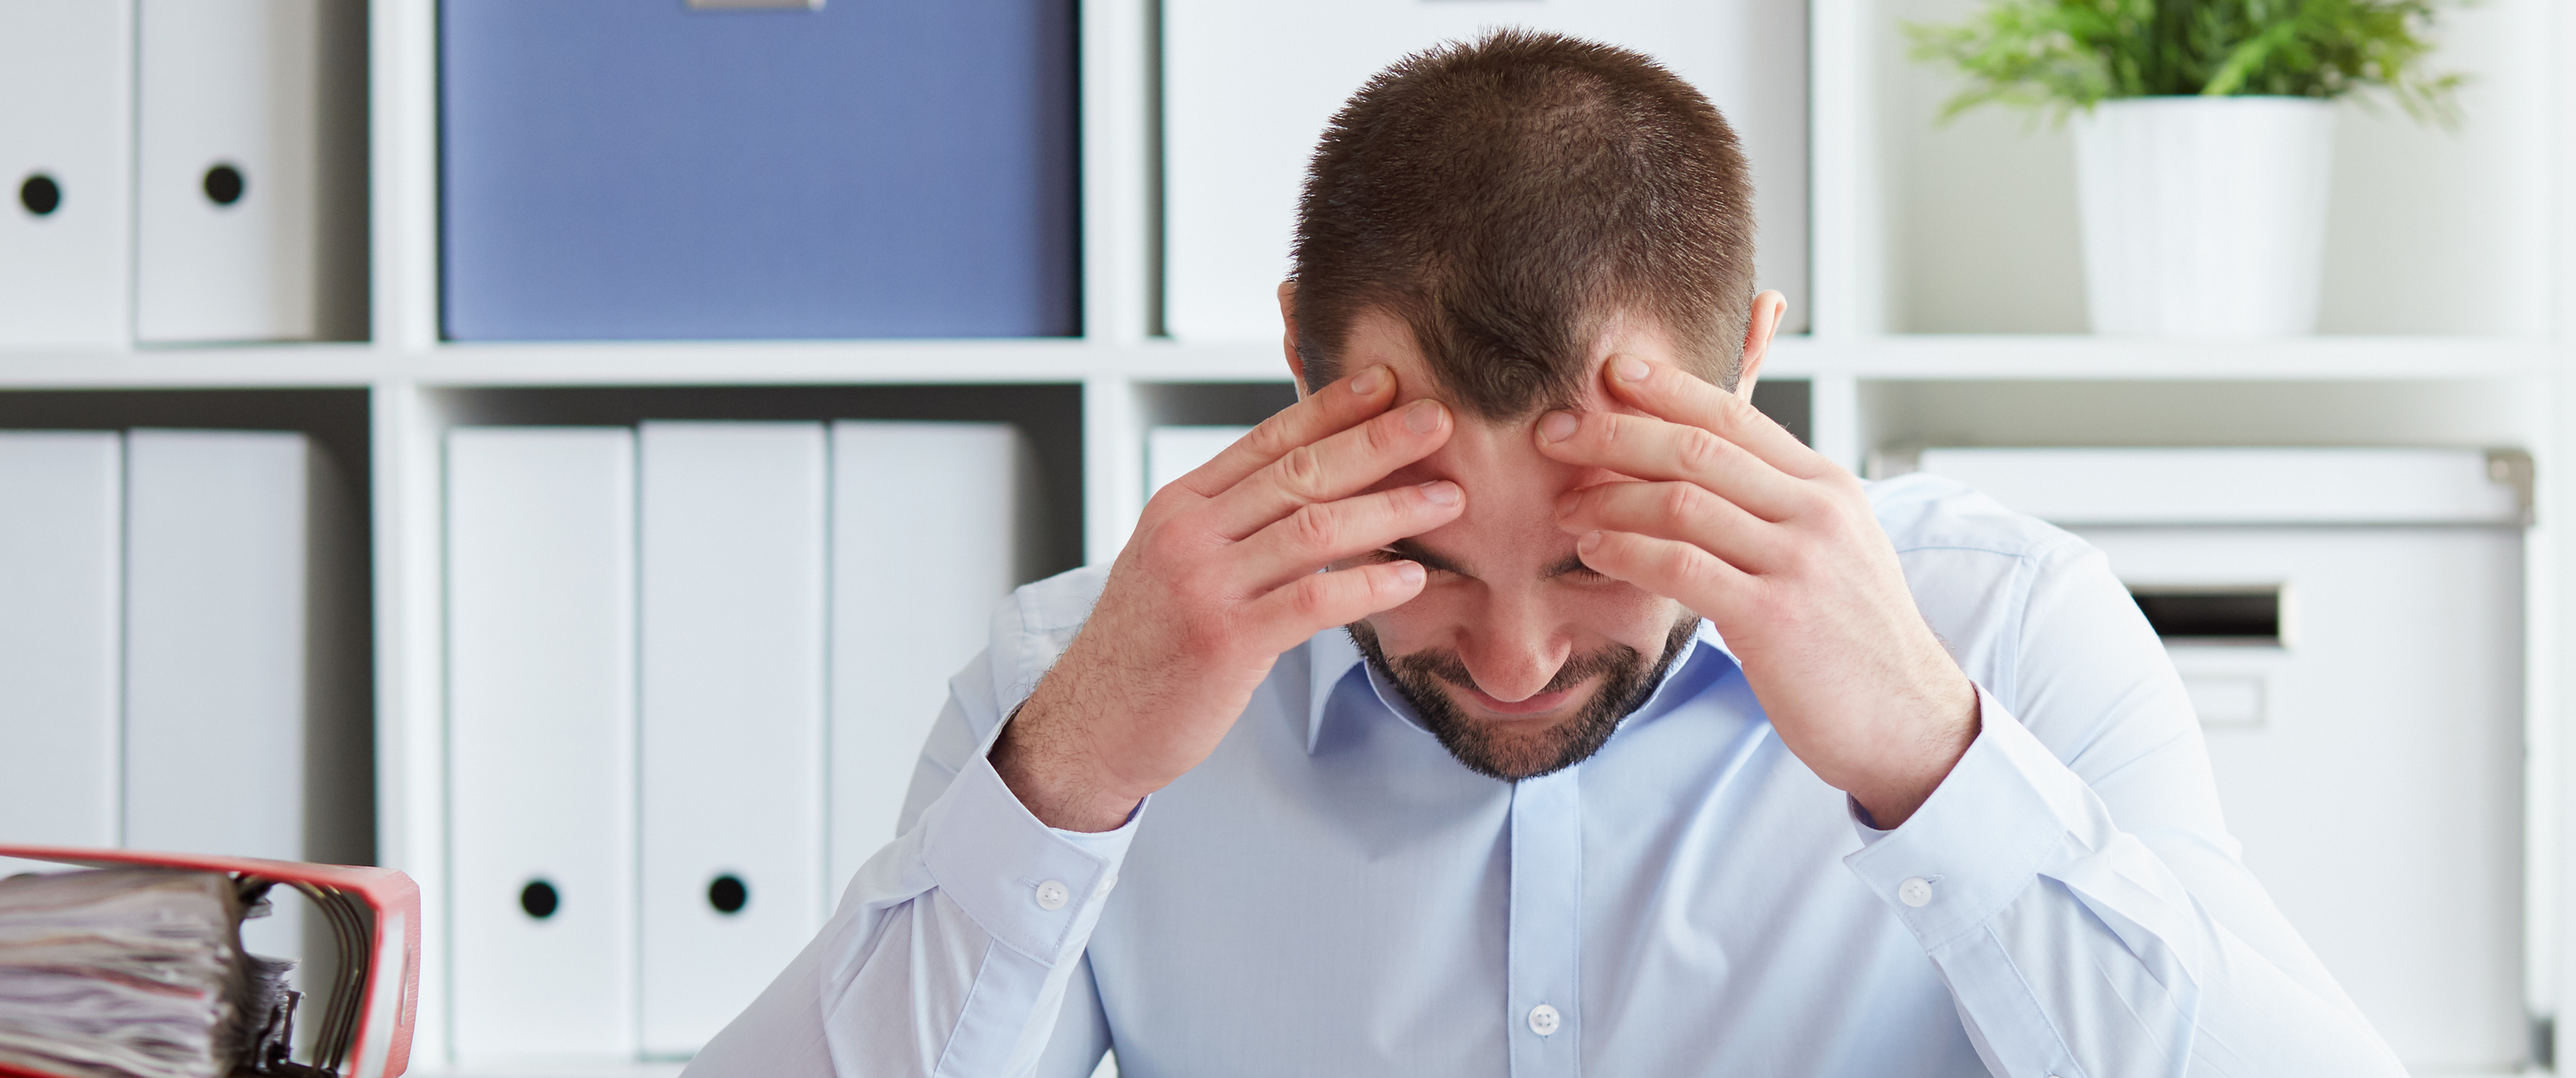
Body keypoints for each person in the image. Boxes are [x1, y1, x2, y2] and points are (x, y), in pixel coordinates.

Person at [690, 30, 2402, 1077]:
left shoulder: (2001, 632)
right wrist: (1059, 786)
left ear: (1747, 362)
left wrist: (1931, 766)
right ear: (1299, 357)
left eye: (1596, 559)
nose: (1510, 666)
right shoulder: (1093, 671)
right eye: (1423, 558)